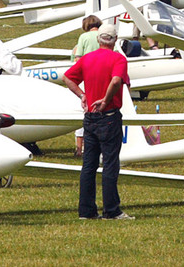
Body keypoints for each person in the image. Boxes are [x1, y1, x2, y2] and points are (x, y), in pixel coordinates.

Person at [63, 23, 133, 221]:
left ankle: (86, 211)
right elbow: (117, 81)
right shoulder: (118, 58)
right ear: (115, 39)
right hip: (109, 116)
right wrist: (106, 99)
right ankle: (111, 210)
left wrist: (82, 95)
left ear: (98, 39)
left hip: (90, 117)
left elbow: (67, 77)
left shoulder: (86, 58)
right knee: (110, 164)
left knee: (89, 165)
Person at [71, 15, 103, 157]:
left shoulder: (83, 37)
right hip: (103, 76)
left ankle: (80, 147)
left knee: (84, 108)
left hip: (87, 75)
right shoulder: (103, 35)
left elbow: (78, 59)